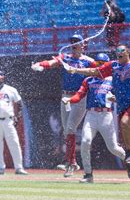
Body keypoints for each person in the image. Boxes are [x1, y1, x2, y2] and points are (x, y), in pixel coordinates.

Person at [68, 44, 130, 182]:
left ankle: (129, 154)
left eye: (121, 50)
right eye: (117, 51)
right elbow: (95, 71)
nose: (118, 53)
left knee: (124, 124)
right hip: (121, 105)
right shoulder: (113, 65)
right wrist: (76, 70)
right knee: (129, 137)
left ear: (128, 52)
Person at [62, 53, 130, 183]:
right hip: (91, 115)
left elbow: (123, 97)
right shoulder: (88, 80)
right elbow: (79, 95)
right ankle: (88, 174)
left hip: (106, 115)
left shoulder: (113, 79)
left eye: (102, 63)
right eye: (97, 63)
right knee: (85, 142)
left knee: (113, 148)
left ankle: (129, 160)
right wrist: (69, 100)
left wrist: (116, 99)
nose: (99, 65)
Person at [31, 34, 95, 177]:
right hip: (65, 96)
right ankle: (70, 162)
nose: (74, 44)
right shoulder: (66, 57)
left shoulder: (88, 61)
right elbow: (52, 62)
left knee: (71, 127)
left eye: (76, 42)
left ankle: (71, 163)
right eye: (72, 41)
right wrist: (40, 65)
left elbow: (99, 70)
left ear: (83, 45)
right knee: (67, 130)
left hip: (80, 96)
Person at [0, 71, 28, 176]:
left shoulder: (10, 89)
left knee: (14, 143)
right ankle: (0, 168)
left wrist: (18, 117)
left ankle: (19, 167)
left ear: (3, 77)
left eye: (0, 76)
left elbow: (19, 103)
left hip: (8, 120)